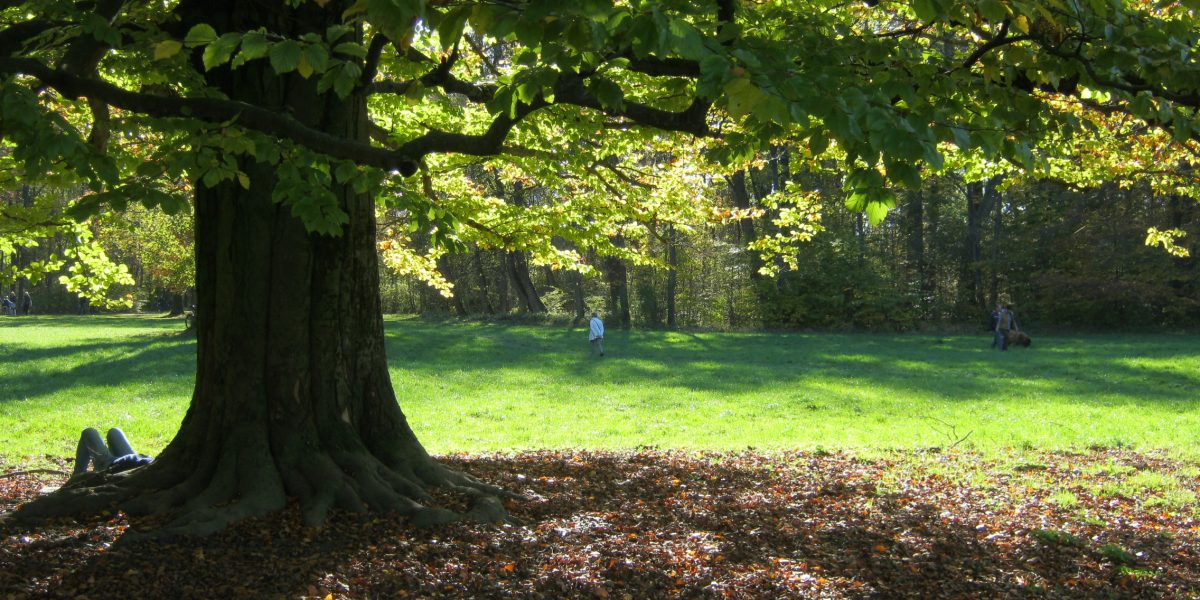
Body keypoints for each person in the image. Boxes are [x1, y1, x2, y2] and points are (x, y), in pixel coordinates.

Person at [73, 427, 154, 476]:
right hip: (132, 460)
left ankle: (76, 477)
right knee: (115, 431)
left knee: (89, 432)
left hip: (111, 466)